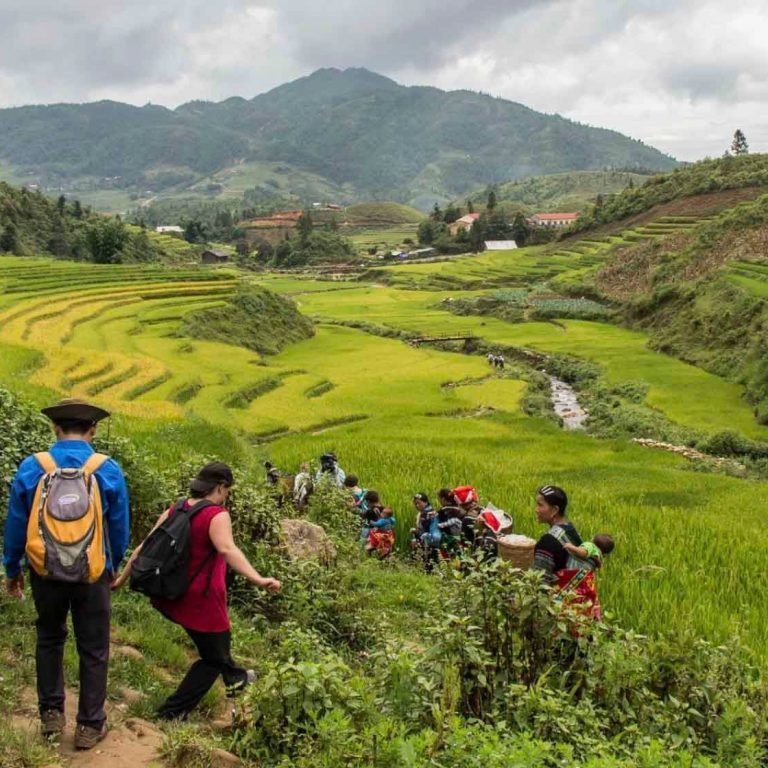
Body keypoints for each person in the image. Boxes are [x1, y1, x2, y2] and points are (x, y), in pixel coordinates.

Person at [3, 398, 129, 750]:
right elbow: (119, 528)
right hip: (92, 572)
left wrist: (12, 569)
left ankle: (51, 715)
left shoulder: (33, 466)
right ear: (93, 430)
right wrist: (113, 564)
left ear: (55, 429)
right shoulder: (107, 469)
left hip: (45, 570)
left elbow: (15, 524)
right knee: (94, 647)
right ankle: (89, 725)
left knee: (49, 637)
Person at [113, 462, 281, 720]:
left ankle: (237, 678)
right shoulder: (217, 514)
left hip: (173, 594)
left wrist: (120, 580)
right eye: (227, 490)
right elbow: (227, 550)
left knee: (217, 651)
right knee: (214, 657)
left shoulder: (175, 508)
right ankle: (170, 713)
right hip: (203, 601)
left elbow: (144, 547)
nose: (227, 495)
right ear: (221, 487)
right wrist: (258, 579)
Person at [532, 485, 602, 620]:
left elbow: (539, 583)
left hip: (561, 616)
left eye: (540, 505)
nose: (536, 510)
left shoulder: (547, 542)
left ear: (555, 510)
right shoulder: (570, 529)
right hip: (582, 609)